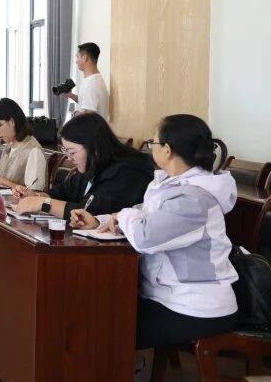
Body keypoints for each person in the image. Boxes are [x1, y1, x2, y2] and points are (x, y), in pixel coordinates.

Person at [70, 115, 238, 349]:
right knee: (92, 313)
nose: (150, 148)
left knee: (102, 328)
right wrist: (99, 221)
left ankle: (115, 372)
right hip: (169, 296)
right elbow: (143, 214)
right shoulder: (171, 184)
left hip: (195, 306)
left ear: (167, 150)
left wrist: (124, 216)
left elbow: (144, 235)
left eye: (153, 142)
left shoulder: (195, 198)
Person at [14, 112, 154, 220]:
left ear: (94, 148)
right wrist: (36, 196)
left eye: (72, 152)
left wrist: (43, 204)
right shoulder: (93, 164)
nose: (69, 158)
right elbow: (63, 192)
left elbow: (88, 212)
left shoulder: (127, 172)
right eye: (66, 152)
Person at [64, 42, 110, 119]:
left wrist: (74, 114)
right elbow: (88, 102)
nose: (76, 61)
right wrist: (71, 95)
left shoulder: (91, 83)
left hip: (92, 127)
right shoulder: (95, 79)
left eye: (77, 57)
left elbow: (89, 114)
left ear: (85, 58)